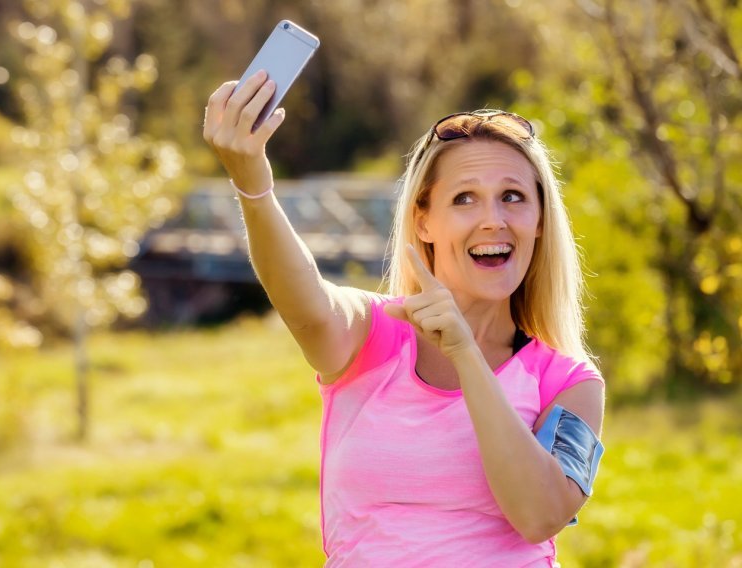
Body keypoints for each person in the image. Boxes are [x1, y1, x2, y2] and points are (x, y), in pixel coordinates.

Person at [203, 70, 605, 567]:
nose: (492, 220)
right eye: (464, 198)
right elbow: (304, 301)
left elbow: (539, 514)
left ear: (540, 220)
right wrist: (252, 183)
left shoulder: (567, 379)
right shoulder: (373, 331)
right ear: (424, 221)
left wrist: (465, 353)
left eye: (513, 196)